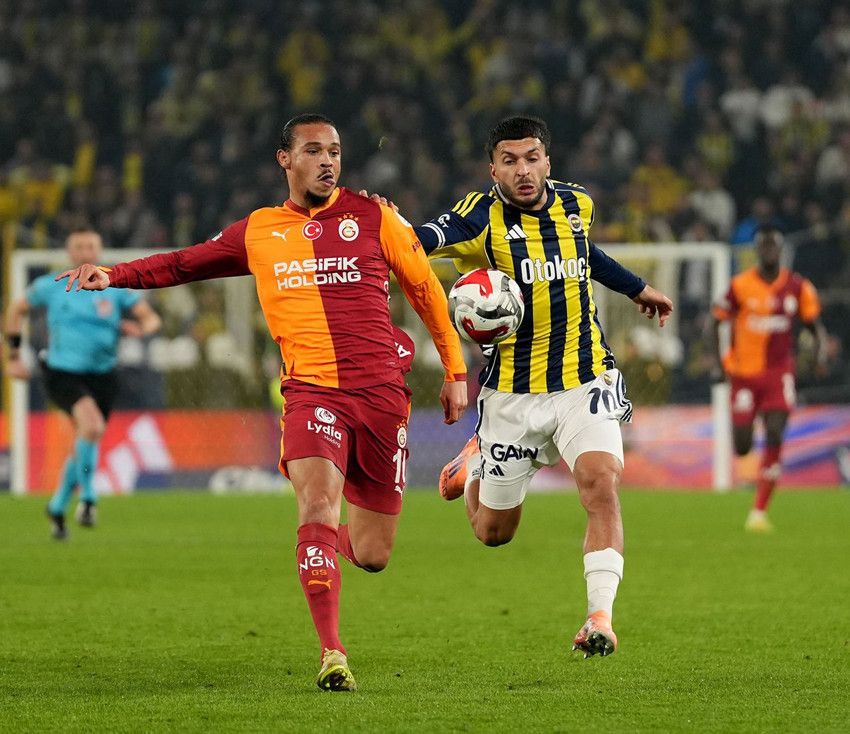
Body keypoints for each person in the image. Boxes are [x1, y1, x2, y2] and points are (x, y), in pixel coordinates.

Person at [58, 113, 468, 691]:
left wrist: (455, 369)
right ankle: (332, 652)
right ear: (286, 159)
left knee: (373, 553)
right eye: (314, 150)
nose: (328, 161)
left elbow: (425, 288)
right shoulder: (259, 230)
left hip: (381, 395)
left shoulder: (376, 217)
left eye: (335, 151)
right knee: (317, 504)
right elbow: (182, 263)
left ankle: (321, 544)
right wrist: (114, 274)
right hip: (310, 393)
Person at [414, 115, 673, 659]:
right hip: (512, 396)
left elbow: (584, 254)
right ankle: (475, 460)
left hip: (585, 379)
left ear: (547, 162)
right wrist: (384, 222)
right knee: (493, 532)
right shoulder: (477, 217)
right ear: (493, 169)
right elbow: (420, 241)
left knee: (601, 485)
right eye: (509, 161)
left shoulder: (576, 203)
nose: (523, 171)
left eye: (532, 158)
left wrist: (636, 288)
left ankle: (599, 619)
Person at [3, 227, 161, 539]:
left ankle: (57, 506)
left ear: (99, 251)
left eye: (91, 246)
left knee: (86, 439)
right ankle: (89, 499)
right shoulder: (51, 285)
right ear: (70, 252)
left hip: (103, 376)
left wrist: (141, 328)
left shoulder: (114, 286)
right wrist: (13, 356)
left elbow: (151, 318)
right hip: (62, 372)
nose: (85, 252)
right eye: (79, 247)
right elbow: (15, 309)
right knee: (92, 426)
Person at [710, 224, 828, 532]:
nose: (769, 251)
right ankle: (755, 486)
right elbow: (716, 322)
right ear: (757, 250)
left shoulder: (798, 287)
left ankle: (759, 511)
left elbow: (814, 325)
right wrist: (718, 364)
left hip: (779, 374)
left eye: (773, 245)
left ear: (781, 249)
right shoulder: (739, 286)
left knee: (775, 434)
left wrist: (820, 354)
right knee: (742, 446)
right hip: (743, 375)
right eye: (764, 246)